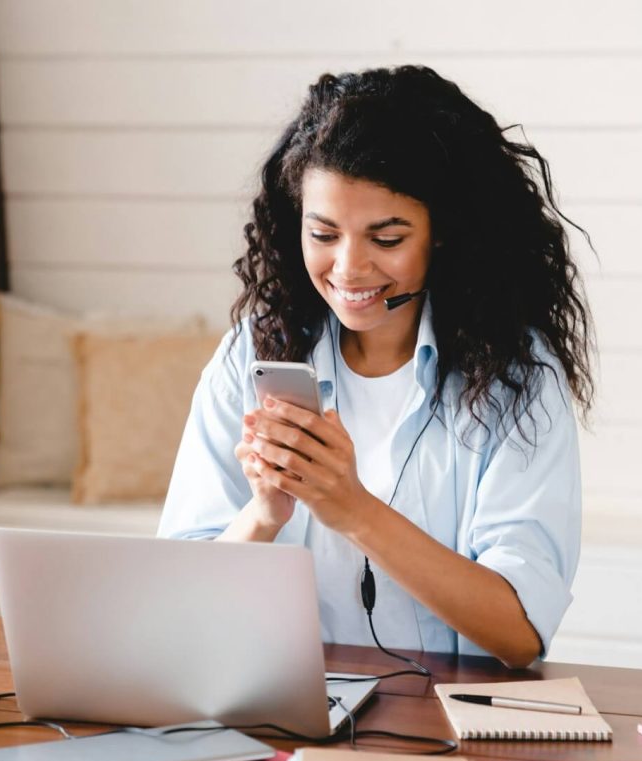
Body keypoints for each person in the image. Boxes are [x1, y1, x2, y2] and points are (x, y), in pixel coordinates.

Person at [158, 65, 595, 669]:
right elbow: (177, 601)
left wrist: (353, 509)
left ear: (443, 233)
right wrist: (263, 516)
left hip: (444, 723)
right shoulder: (253, 352)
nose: (348, 268)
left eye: (386, 239)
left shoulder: (516, 377)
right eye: (324, 233)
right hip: (279, 707)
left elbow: (519, 632)